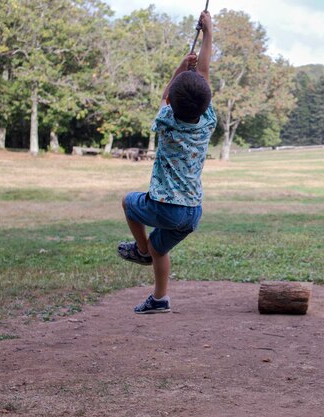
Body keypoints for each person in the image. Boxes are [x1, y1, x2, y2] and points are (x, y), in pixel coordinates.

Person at [118, 10, 216, 314]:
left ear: (171, 104)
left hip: (165, 206)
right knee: (162, 249)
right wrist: (209, 34)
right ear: (207, 103)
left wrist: (179, 68)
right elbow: (205, 75)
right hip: (192, 212)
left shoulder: (167, 123)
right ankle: (159, 298)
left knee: (128, 202)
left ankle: (141, 250)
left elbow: (166, 96)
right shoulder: (208, 122)